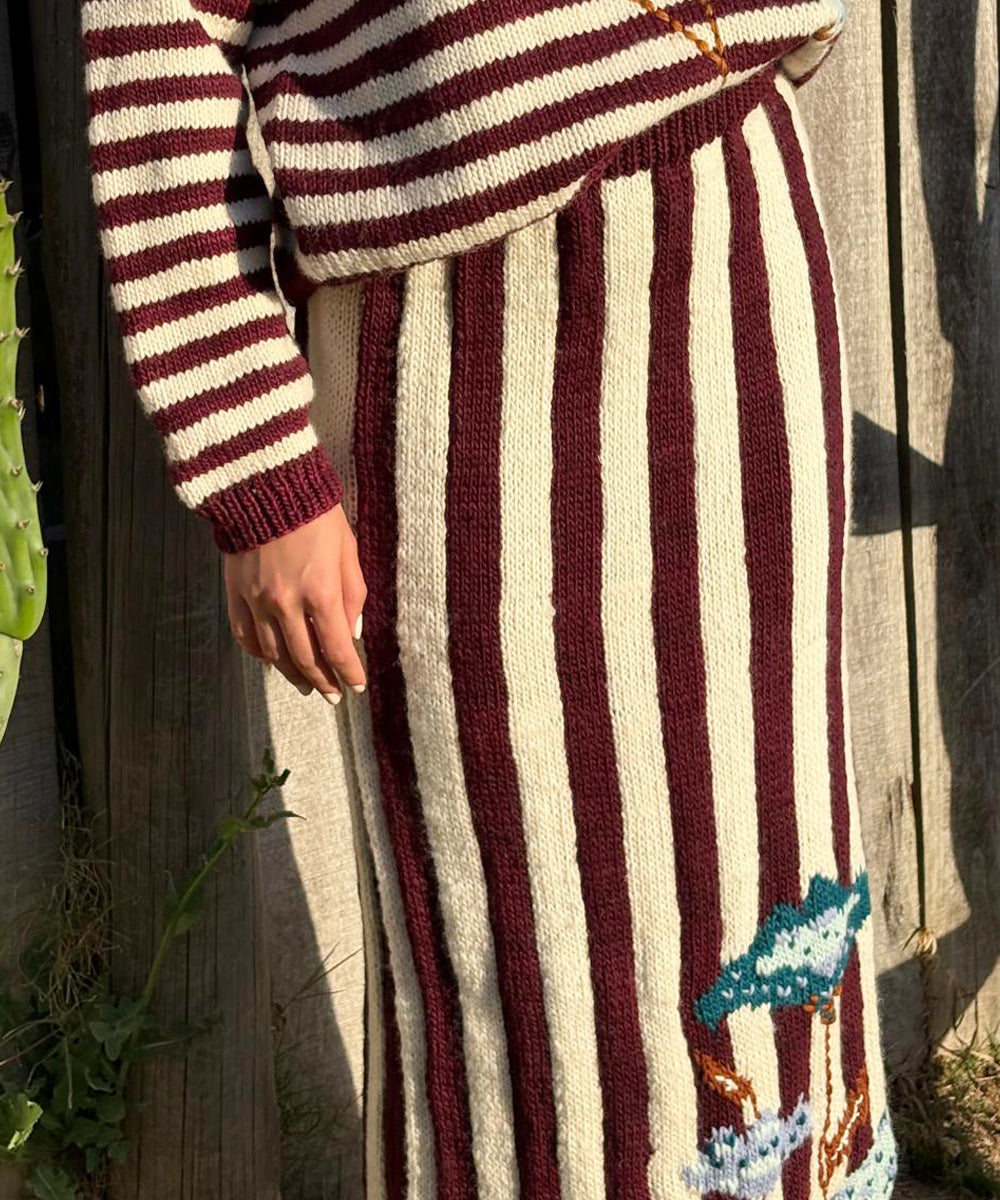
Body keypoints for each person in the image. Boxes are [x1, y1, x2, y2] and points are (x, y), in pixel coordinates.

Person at [79, 1, 899, 1196]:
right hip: (454, 328)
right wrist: (250, 457)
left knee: (776, 857)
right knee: (524, 958)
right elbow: (158, 35)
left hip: (734, 203)